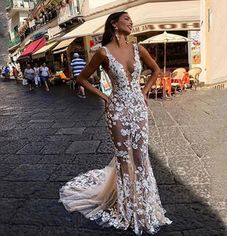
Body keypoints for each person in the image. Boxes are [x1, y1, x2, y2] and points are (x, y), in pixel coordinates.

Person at [59, 12, 172, 235]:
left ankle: (145, 206)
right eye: (127, 19)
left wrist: (145, 91)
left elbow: (156, 70)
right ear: (114, 23)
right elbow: (81, 79)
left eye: (131, 20)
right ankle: (127, 207)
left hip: (138, 108)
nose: (131, 22)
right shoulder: (103, 52)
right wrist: (106, 98)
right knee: (123, 159)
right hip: (117, 110)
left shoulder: (138, 48)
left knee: (141, 157)